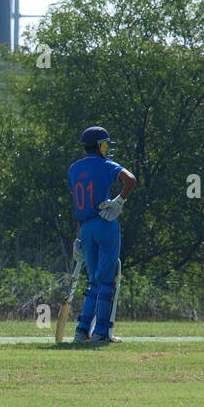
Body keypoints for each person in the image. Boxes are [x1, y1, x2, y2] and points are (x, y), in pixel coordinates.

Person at [67, 126, 137, 345]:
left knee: (93, 283)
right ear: (99, 145)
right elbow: (130, 180)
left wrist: (79, 235)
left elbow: (77, 203)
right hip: (105, 223)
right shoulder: (106, 165)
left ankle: (81, 330)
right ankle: (101, 333)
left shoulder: (74, 168)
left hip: (85, 227)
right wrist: (119, 202)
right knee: (106, 282)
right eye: (105, 144)